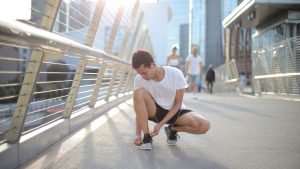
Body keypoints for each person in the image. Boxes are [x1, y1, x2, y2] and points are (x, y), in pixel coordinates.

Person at [132, 49, 210, 150]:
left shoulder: (175, 73)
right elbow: (139, 109)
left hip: (175, 111)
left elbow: (178, 104)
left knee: (204, 125)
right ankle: (147, 138)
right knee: (138, 93)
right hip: (155, 111)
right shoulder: (139, 79)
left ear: (152, 65)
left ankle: (172, 129)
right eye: (140, 73)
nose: (142, 76)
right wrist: (137, 134)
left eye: (144, 73)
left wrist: (161, 125)